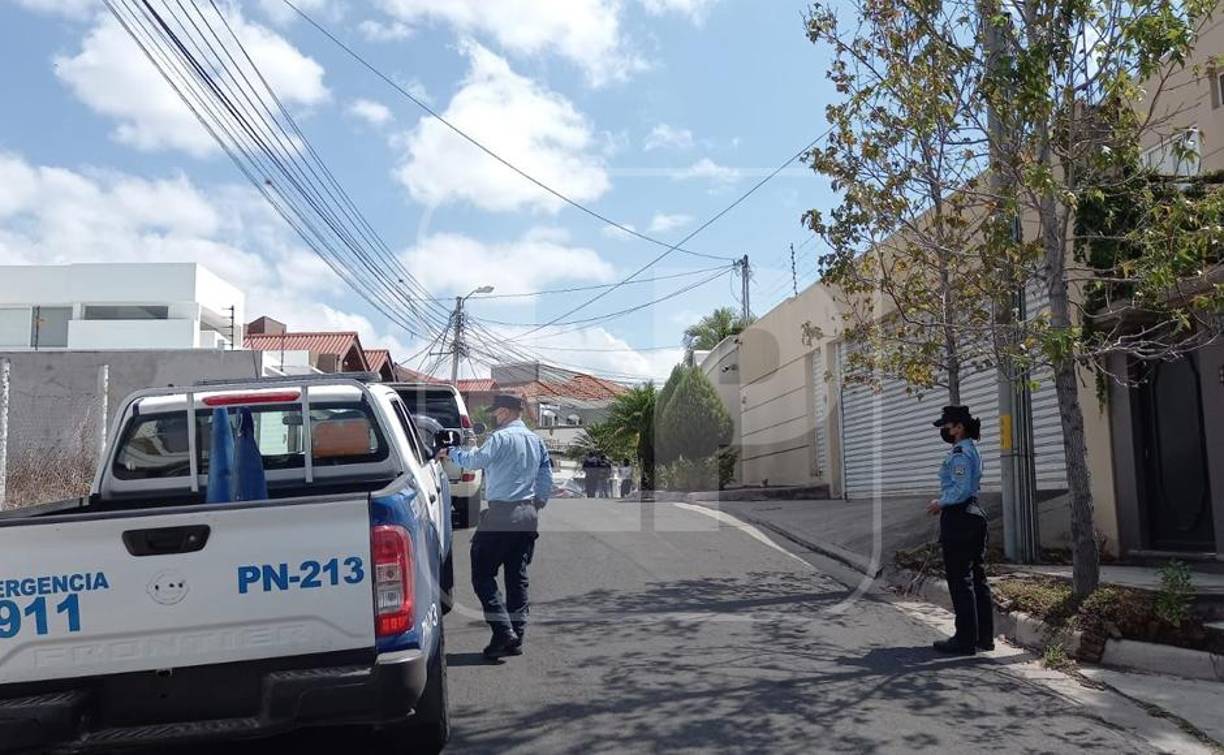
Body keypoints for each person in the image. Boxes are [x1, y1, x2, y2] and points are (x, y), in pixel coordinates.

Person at [439, 394, 552, 661]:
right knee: (517, 578)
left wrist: (450, 452)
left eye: (497, 412)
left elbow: (475, 461)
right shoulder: (536, 441)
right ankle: (516, 638)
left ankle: (503, 632)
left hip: (501, 513)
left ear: (505, 411)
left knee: (482, 575)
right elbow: (546, 476)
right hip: (527, 515)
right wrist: (536, 504)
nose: (495, 417)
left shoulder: (500, 438)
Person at [926, 405, 993, 655]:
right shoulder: (972, 450)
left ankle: (964, 640)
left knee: (960, 580)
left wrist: (940, 503)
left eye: (947, 425)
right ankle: (983, 637)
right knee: (977, 579)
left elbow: (961, 489)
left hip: (960, 518)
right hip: (973, 515)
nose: (944, 430)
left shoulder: (960, 454)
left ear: (958, 427)